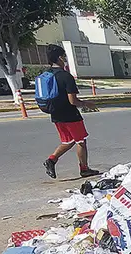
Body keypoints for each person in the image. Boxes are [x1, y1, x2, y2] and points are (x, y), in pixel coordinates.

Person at [43, 45, 99, 179]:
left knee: (68, 141)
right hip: (70, 115)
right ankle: (84, 169)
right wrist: (86, 104)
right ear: (60, 58)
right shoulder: (66, 76)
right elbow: (72, 101)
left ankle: (51, 160)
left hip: (56, 114)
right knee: (81, 141)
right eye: (65, 57)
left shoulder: (46, 75)